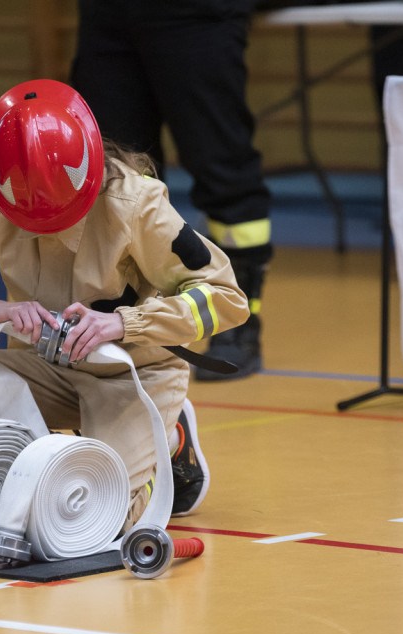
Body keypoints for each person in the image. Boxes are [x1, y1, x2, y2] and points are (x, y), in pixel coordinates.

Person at [0, 80, 249, 527]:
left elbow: (226, 297)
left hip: (132, 378)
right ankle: (33, 471)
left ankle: (168, 440)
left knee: (94, 523)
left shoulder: (137, 203)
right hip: (43, 371)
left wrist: (123, 325)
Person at [70, 0, 271, 381]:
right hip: (107, 14)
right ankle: (125, 321)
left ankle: (236, 322)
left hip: (196, 13)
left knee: (222, 167)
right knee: (115, 172)